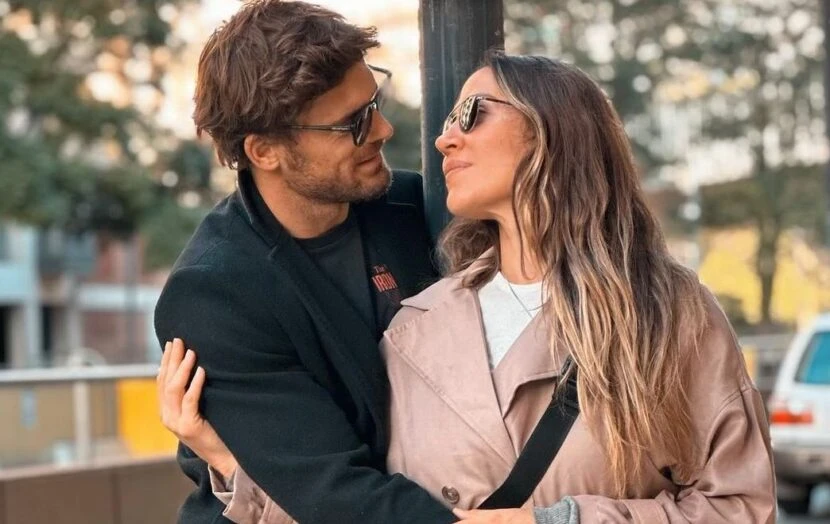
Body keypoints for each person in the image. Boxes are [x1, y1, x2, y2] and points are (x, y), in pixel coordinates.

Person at [159, 52, 777, 524]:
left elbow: (740, 506)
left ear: (553, 127)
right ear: (264, 151)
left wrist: (561, 522)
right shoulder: (415, 322)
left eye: (472, 113)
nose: (440, 137)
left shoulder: (668, 313)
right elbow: (354, 496)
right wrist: (234, 464)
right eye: (449, 118)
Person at [153, 0, 457, 522]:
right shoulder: (215, 293)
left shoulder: (416, 206)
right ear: (265, 151)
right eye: (352, 123)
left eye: (374, 103)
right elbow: (336, 494)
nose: (382, 129)